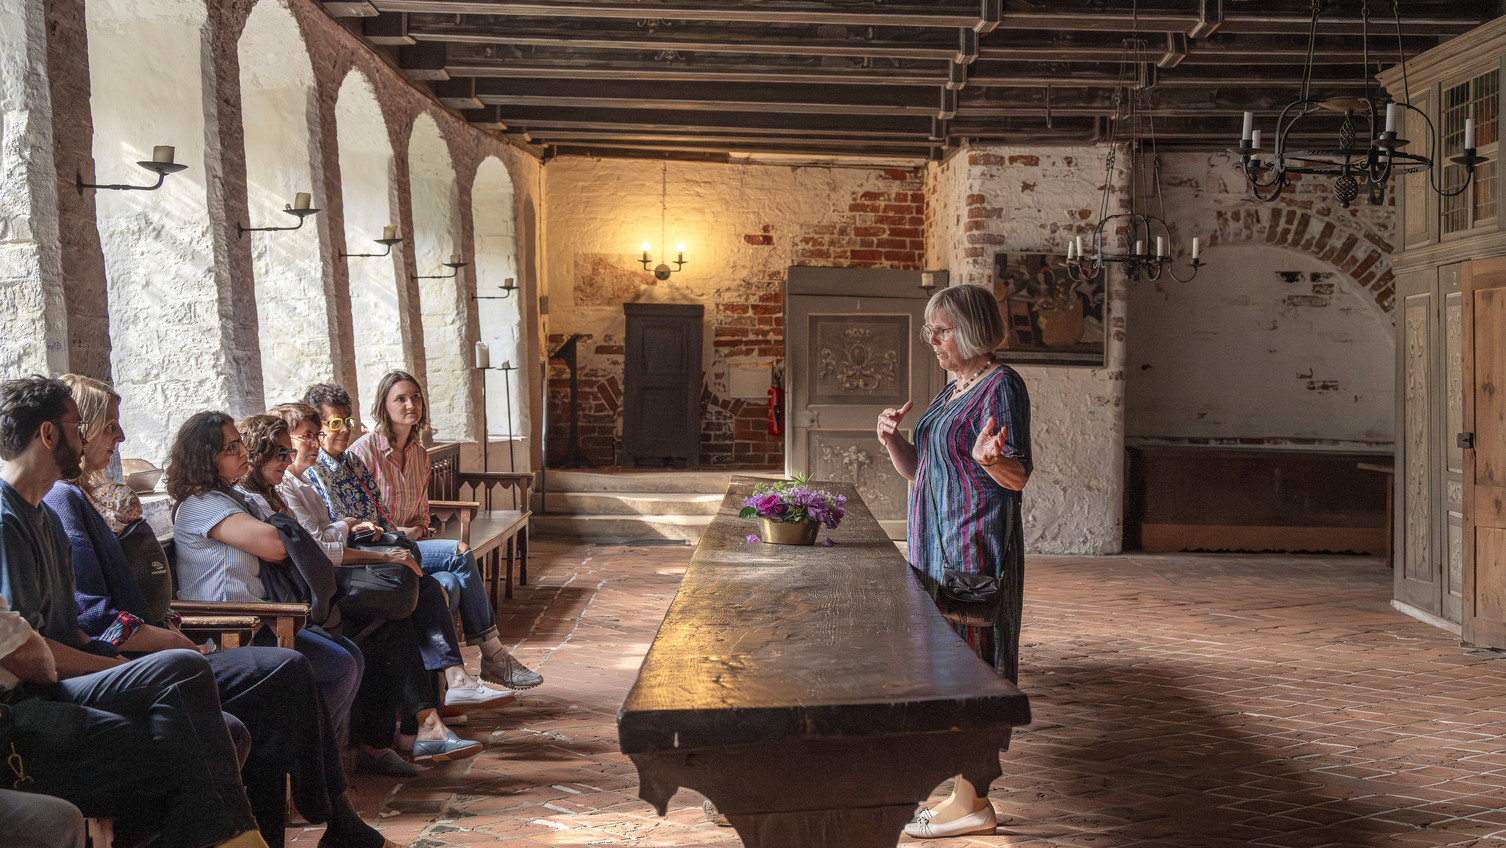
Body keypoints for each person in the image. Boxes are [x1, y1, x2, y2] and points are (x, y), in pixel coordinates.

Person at [47, 375, 405, 847]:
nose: (121, 436)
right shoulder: (63, 499)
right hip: (169, 644)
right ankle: (328, 815)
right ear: (71, 432)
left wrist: (168, 632)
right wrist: (173, 641)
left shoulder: (98, 498)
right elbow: (95, 618)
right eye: (108, 425)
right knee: (292, 671)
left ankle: (321, 819)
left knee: (312, 671)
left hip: (179, 636)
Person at [0, 374, 268, 848]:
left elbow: (71, 631)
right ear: (48, 434)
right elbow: (32, 658)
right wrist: (119, 667)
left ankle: (230, 835)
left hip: (64, 674)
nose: (109, 437)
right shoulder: (7, 520)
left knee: (229, 732)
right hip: (29, 701)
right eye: (80, 426)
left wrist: (122, 664)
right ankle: (238, 837)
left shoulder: (46, 515)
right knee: (181, 671)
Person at [874, 284, 1032, 839]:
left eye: (940, 330)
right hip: (933, 549)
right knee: (946, 669)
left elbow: (1017, 475)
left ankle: (975, 802)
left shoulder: (1002, 385)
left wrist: (992, 461)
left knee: (976, 667)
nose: (931, 339)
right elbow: (921, 470)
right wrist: (893, 440)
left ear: (971, 330)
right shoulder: (952, 390)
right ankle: (962, 793)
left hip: (973, 550)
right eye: (930, 330)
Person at [233, 413, 480, 768]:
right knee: (398, 609)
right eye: (286, 450)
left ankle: (417, 727)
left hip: (314, 586)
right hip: (299, 599)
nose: (296, 454)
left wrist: (352, 529)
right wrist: (365, 542)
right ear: (258, 454)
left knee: (403, 606)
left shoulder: (281, 490)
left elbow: (316, 543)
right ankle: (414, 726)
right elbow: (309, 551)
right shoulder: (259, 497)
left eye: (297, 446)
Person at [267, 402, 512, 721]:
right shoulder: (303, 480)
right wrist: (371, 540)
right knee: (435, 574)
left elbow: (367, 516)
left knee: (434, 584)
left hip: (372, 548)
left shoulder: (339, 467)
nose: (322, 439)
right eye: (309, 436)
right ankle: (443, 701)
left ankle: (440, 705)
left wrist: (384, 530)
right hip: (329, 582)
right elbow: (323, 549)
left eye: (345, 422)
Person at [303, 380, 542, 690]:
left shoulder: (353, 462)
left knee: (446, 581)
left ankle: (454, 682)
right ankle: (491, 658)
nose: (345, 429)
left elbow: (382, 513)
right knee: (458, 553)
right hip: (369, 558)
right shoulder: (319, 469)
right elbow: (341, 531)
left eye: (348, 421)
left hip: (394, 543)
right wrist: (390, 532)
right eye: (335, 423)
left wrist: (401, 531)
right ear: (316, 428)